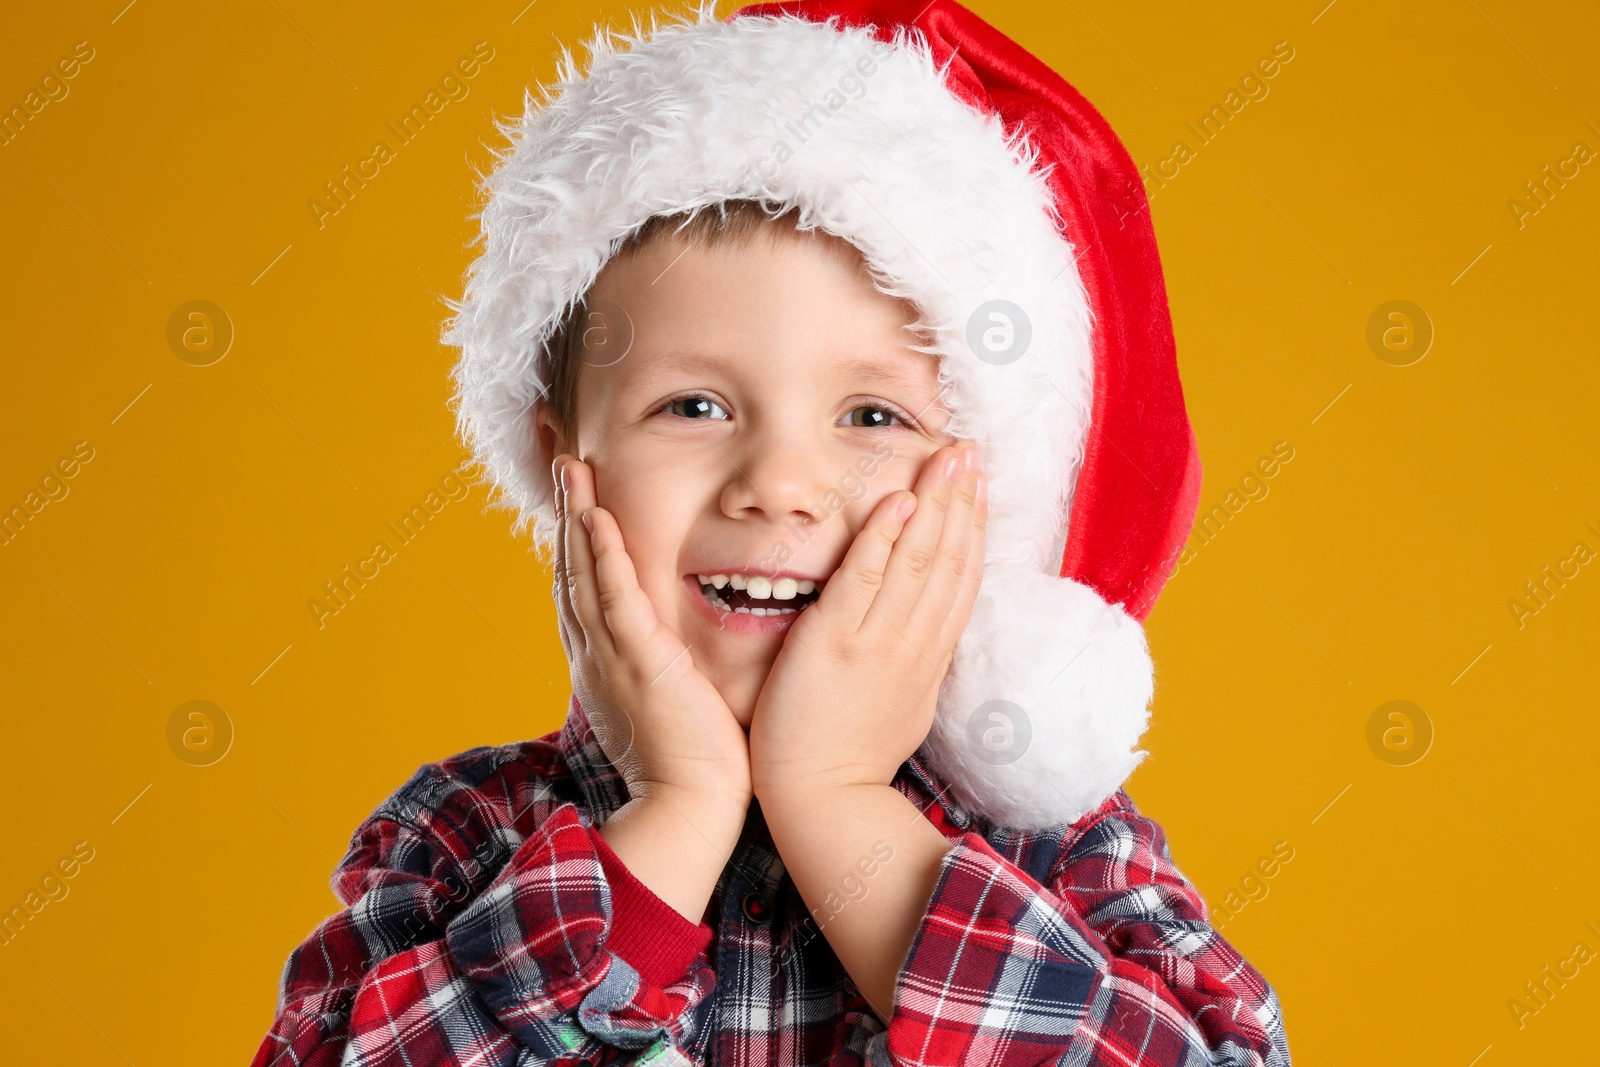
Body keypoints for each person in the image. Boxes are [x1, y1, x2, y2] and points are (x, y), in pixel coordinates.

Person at [248, 1, 1291, 1064]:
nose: (778, 486)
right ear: (568, 466)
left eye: (872, 417)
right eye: (693, 406)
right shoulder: (455, 837)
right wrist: (674, 811)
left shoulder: (1061, 847)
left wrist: (836, 800)